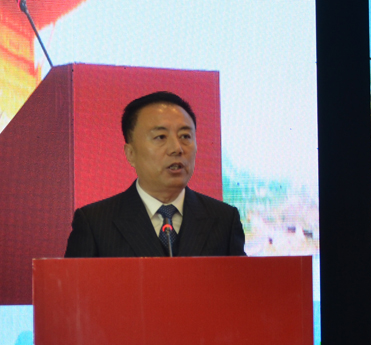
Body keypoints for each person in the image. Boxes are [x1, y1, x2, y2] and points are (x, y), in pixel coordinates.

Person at [64, 91, 246, 257]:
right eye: (160, 137)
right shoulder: (95, 223)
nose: (177, 148)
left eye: (185, 136)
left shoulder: (224, 220)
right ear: (131, 154)